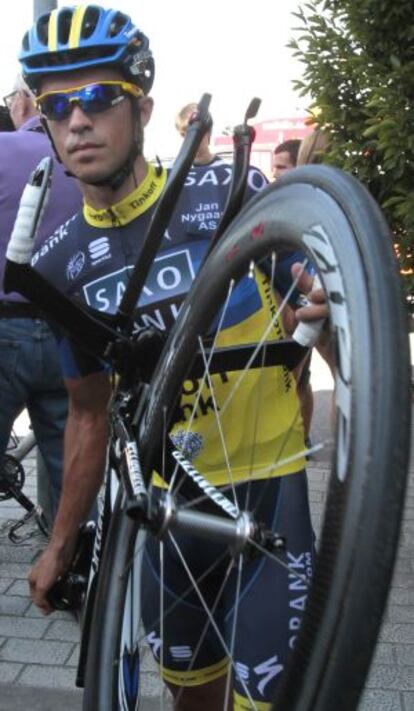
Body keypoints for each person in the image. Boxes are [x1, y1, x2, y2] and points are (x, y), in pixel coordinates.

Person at [17, 5, 327, 708]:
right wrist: (60, 545)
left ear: (144, 107)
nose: (77, 121)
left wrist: (325, 313)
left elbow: (315, 326)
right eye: (56, 106)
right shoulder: (62, 263)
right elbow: (89, 417)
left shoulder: (230, 195)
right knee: (192, 697)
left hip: (267, 490)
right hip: (164, 510)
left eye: (99, 99)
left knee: (267, 701)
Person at [0, 74, 81, 525]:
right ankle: (73, 570)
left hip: (5, 327)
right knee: (70, 467)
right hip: (69, 334)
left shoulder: (3, 150)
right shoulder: (81, 160)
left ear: (26, 104)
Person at [175, 101, 220, 165]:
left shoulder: (229, 170)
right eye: (184, 135)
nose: (192, 140)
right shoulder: (171, 171)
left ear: (208, 132)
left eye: (197, 134)